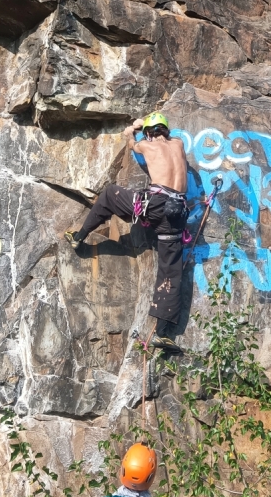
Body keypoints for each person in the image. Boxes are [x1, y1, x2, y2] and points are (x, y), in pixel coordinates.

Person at [66, 113, 189, 354]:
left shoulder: (145, 145)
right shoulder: (179, 144)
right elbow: (163, 136)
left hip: (155, 204)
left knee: (111, 193)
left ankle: (79, 237)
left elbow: (130, 140)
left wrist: (133, 130)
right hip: (177, 212)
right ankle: (162, 333)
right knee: (171, 270)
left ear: (150, 132)